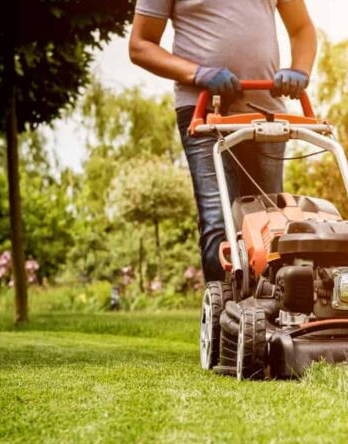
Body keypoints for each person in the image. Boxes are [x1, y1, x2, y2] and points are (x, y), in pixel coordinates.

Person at [129, 0, 317, 282]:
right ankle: (223, 317)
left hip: (267, 115)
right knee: (220, 221)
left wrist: (300, 70)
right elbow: (140, 45)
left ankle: (269, 312)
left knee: (271, 223)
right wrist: (197, 73)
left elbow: (302, 28)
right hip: (205, 112)